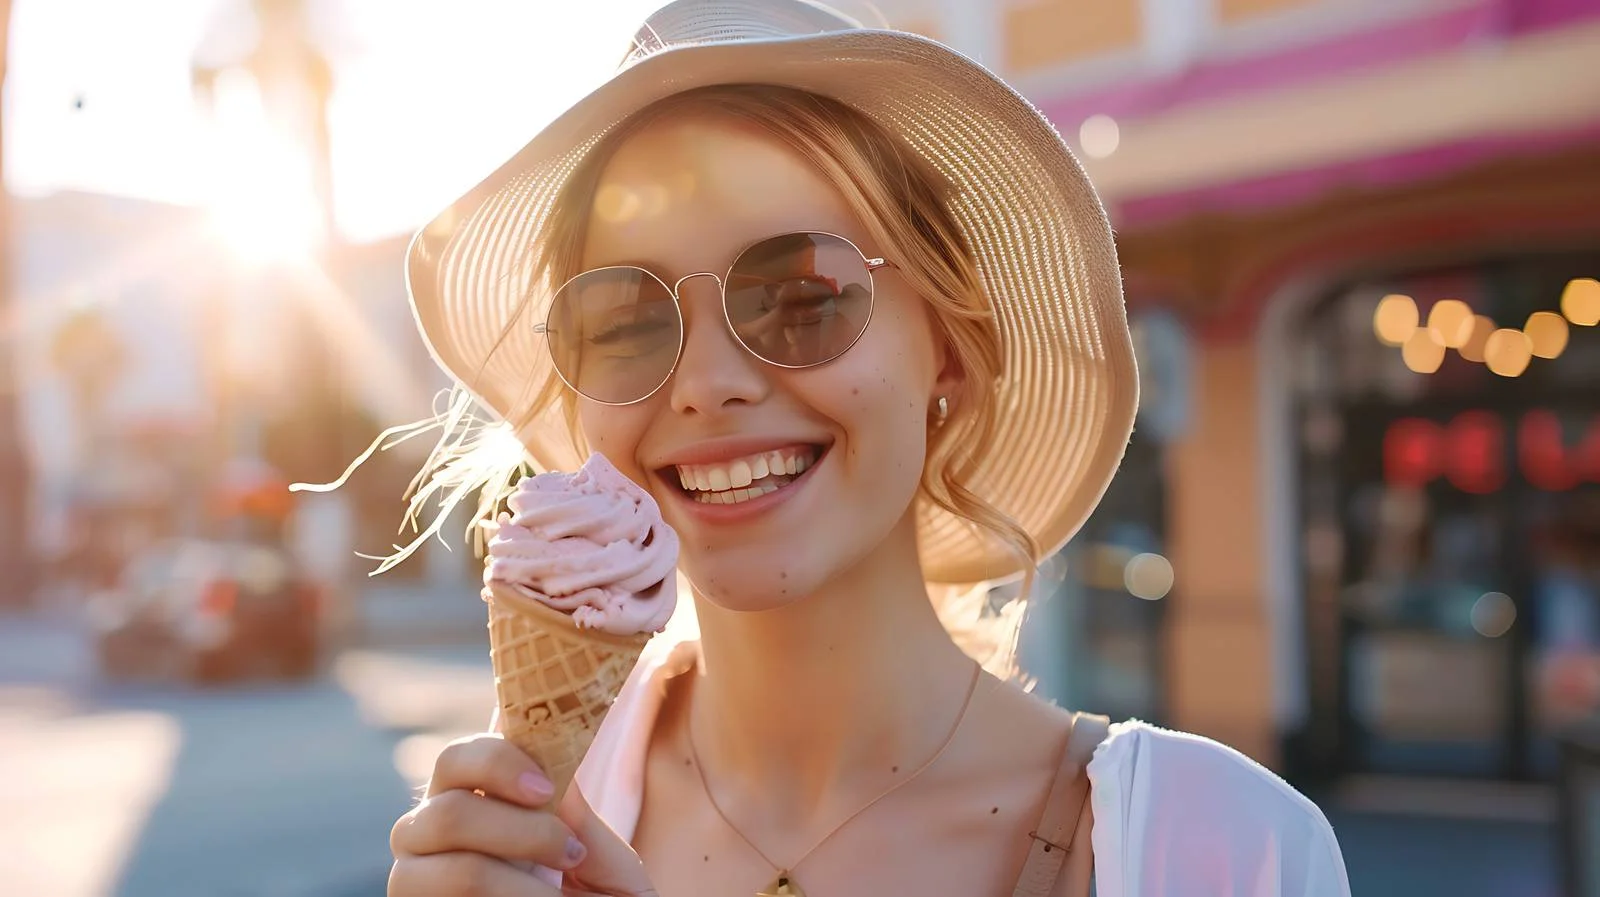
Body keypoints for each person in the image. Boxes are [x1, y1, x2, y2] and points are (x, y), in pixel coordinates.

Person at [376, 1, 1350, 894]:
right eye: (624, 320)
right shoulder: (515, 840)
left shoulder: (1230, 851)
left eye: (802, 296)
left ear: (951, 352)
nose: (708, 380)